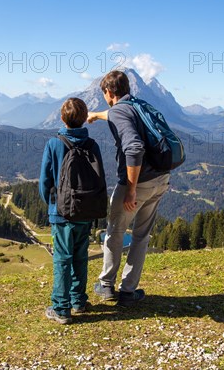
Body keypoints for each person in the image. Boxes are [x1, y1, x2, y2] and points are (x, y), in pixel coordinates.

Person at [88, 70, 170, 306]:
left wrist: (131, 190)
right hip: (161, 180)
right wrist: (98, 115)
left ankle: (106, 285)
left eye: (104, 93)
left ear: (109, 92)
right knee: (141, 236)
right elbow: (117, 113)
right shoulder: (137, 104)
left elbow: (134, 148)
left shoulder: (119, 111)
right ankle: (128, 291)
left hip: (138, 183)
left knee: (114, 231)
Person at [39, 97, 104, 324]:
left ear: (62, 118)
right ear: (85, 118)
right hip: (85, 211)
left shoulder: (54, 143)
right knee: (80, 257)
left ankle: (61, 308)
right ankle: (78, 301)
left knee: (62, 259)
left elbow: (44, 182)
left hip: (61, 212)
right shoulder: (92, 145)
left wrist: (51, 206)